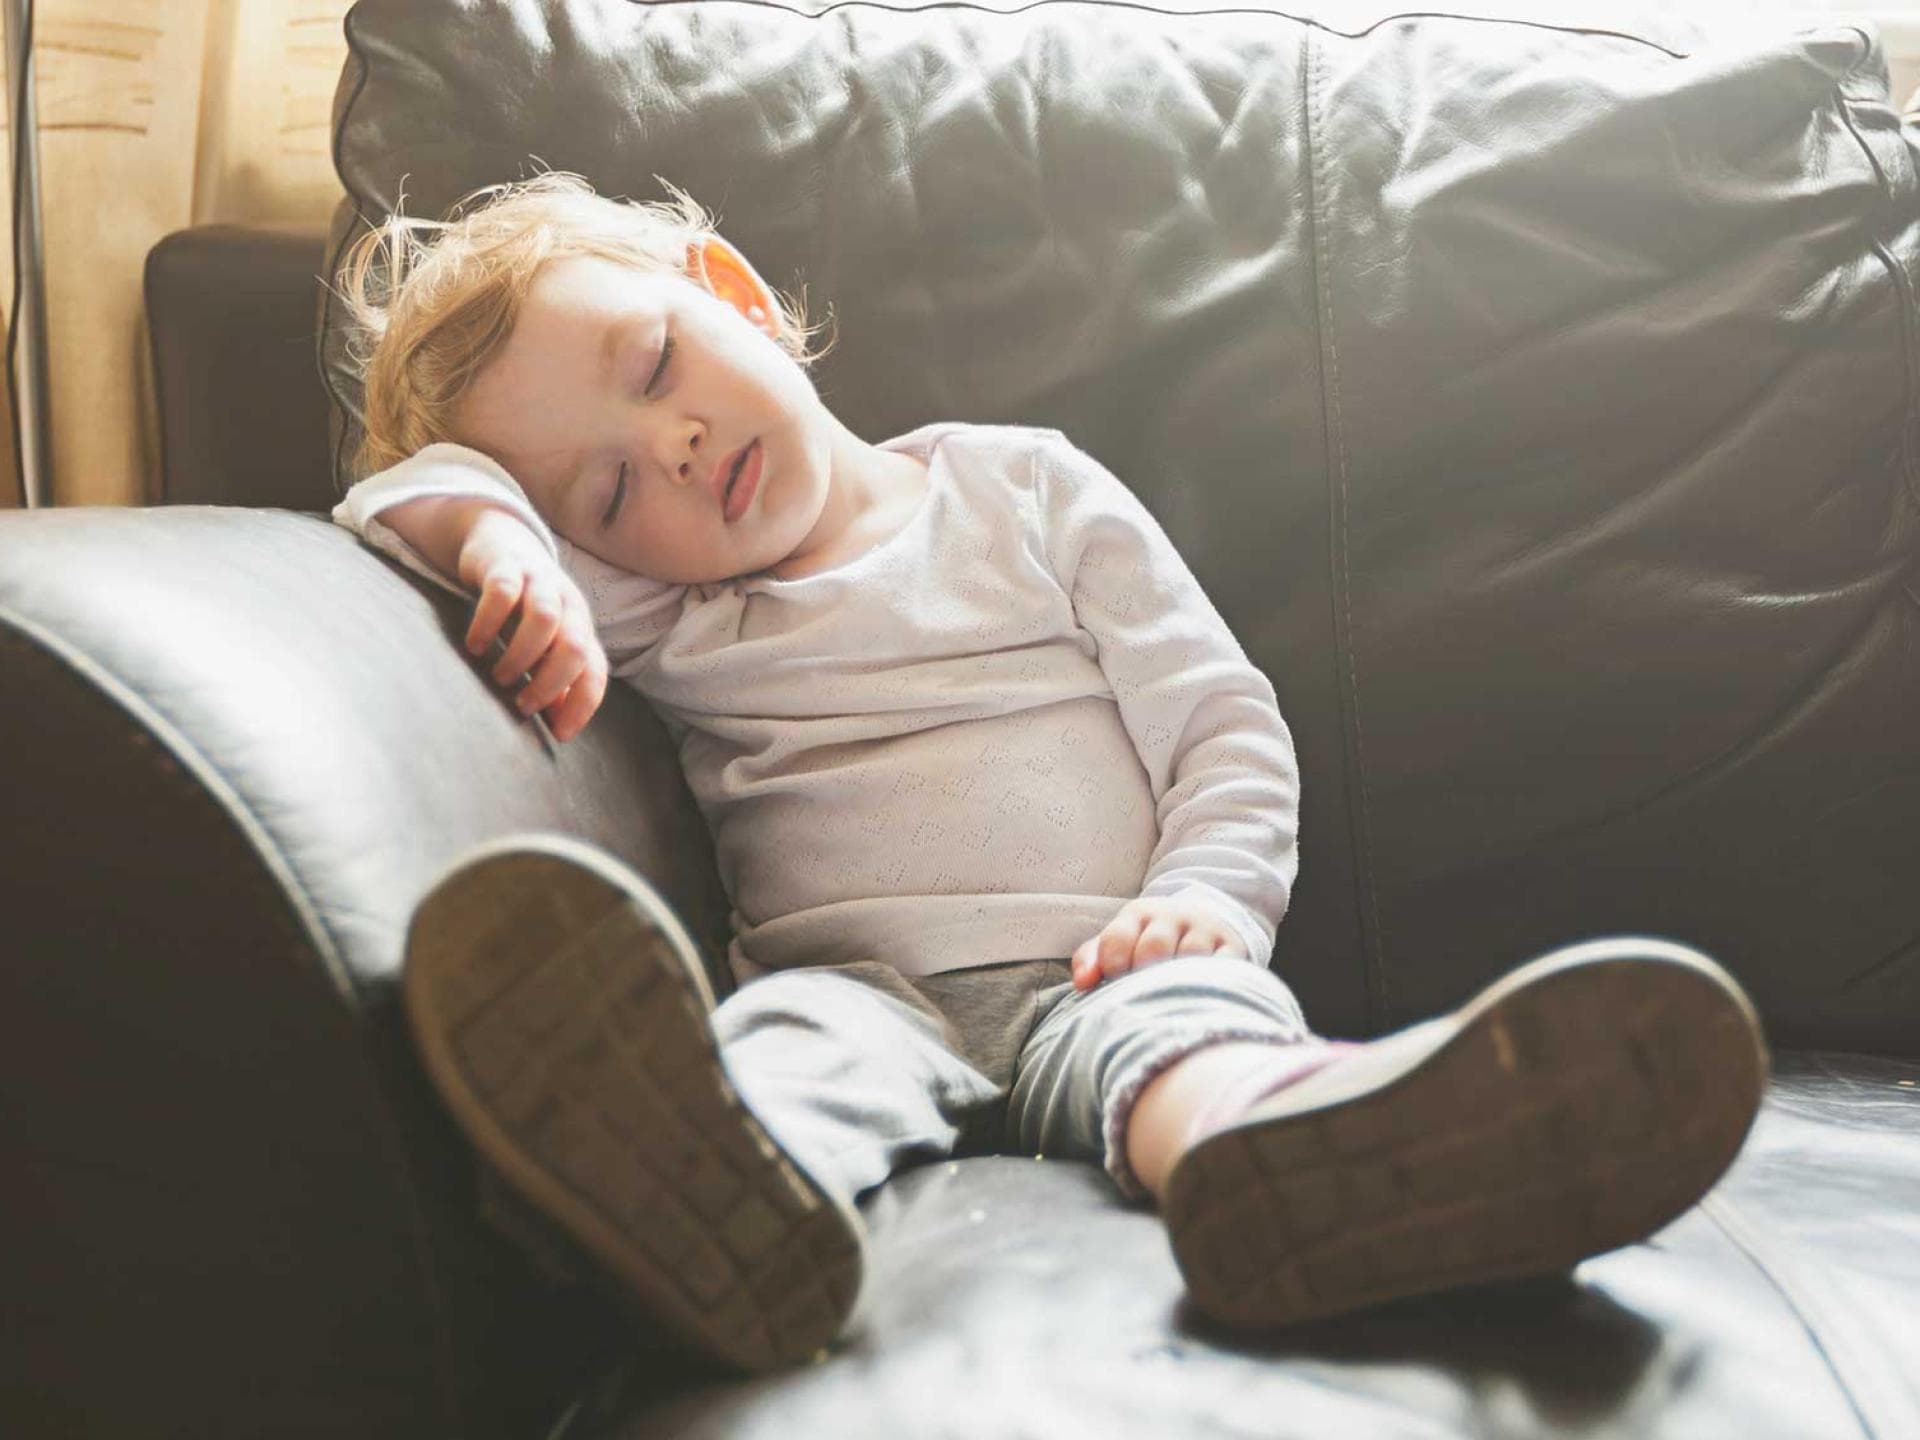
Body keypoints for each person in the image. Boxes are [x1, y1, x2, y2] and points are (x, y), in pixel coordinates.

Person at [330, 170, 1770, 1373]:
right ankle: (703, 1217)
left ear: (736, 291)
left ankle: (1332, 1166)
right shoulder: (661, 606)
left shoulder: (1021, 488)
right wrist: (503, 545)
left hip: (1111, 963)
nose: (670, 444)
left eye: (654, 369)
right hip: (863, 993)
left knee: (1195, 1043)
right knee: (781, 1066)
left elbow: (1218, 719)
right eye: (604, 490)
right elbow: (382, 501)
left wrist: (1209, 899)